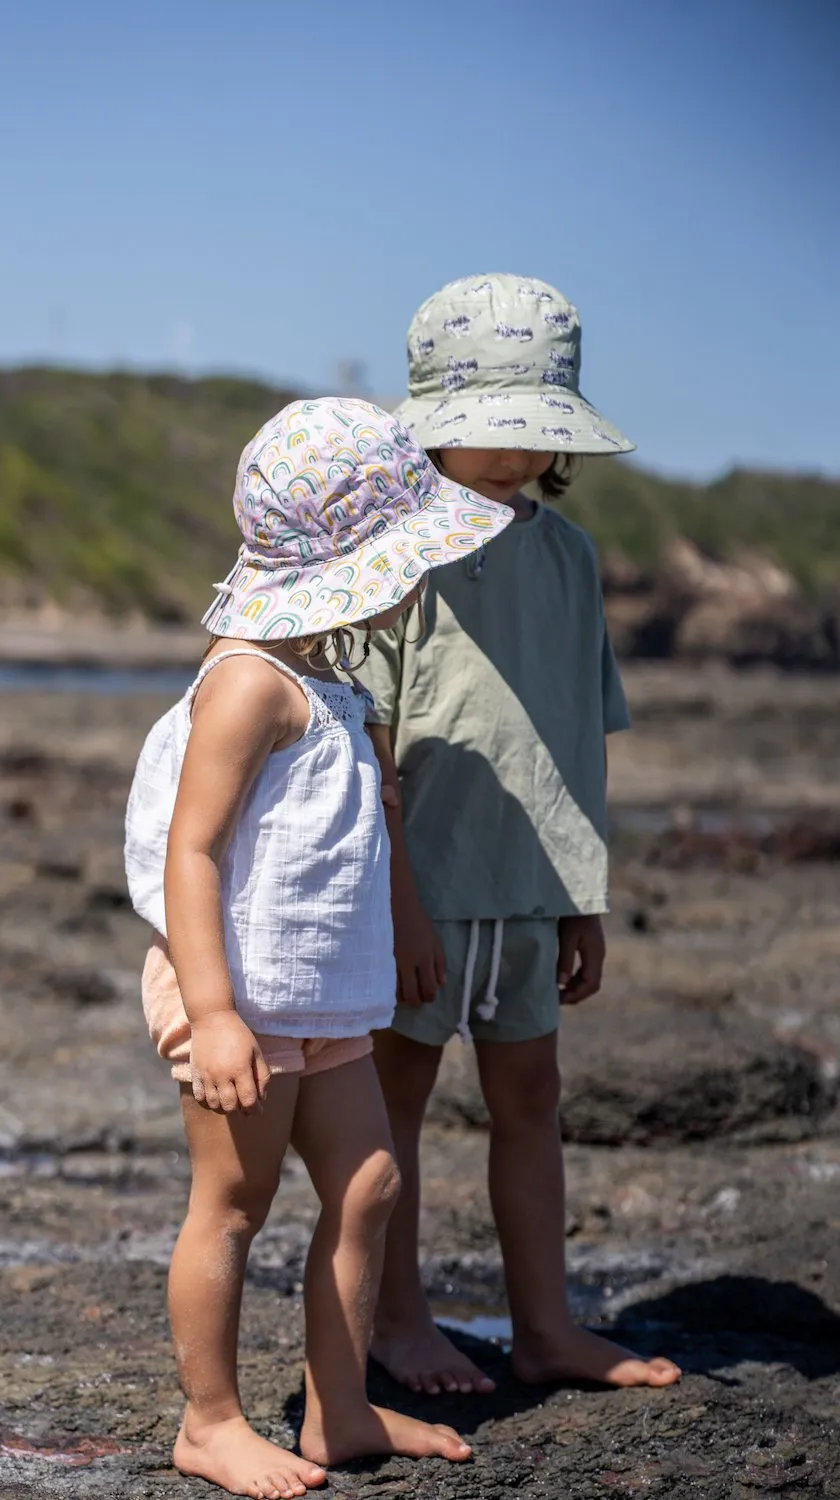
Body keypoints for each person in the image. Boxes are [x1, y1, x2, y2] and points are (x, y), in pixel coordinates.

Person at [124, 396, 514, 1500]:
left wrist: (400, 920)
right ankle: (209, 1422)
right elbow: (188, 854)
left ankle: (338, 1408)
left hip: (323, 998)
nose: (413, 582)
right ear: (352, 560)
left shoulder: (335, 678)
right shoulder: (250, 680)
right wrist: (210, 1013)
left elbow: (352, 827)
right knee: (232, 1207)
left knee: (370, 1179)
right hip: (239, 996)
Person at [358, 274, 682, 1398]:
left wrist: (584, 896)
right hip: (419, 891)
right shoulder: (395, 554)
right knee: (390, 1104)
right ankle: (396, 1325)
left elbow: (576, 744)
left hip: (534, 890)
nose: (507, 457)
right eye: (483, 432)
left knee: (530, 1101)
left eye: (527, 435)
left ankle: (544, 1328)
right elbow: (372, 745)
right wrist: (395, 899)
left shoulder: (572, 560)